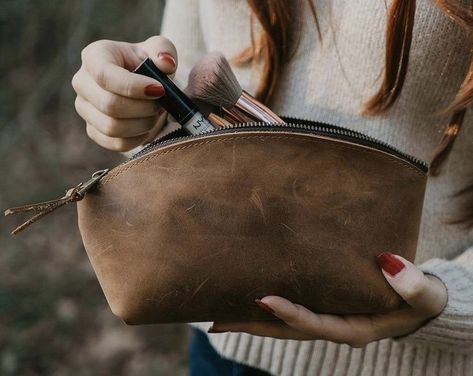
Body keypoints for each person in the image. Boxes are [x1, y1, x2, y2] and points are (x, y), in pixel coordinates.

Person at [71, 1, 473, 375]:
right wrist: (132, 112)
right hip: (221, 350)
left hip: (414, 360)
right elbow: (182, 94)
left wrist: (452, 297)